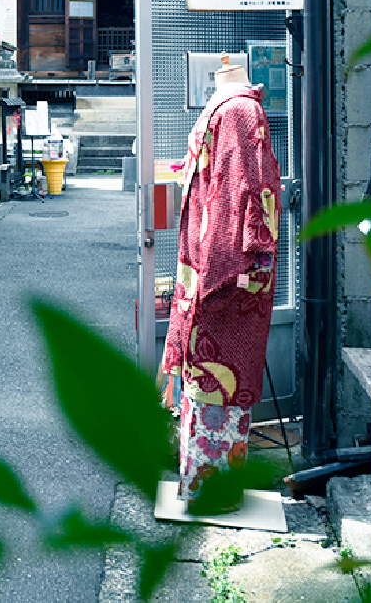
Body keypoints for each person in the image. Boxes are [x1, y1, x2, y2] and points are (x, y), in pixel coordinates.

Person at [161, 54, 282, 508]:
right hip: (211, 263)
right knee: (208, 380)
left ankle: (211, 490)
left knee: (221, 380)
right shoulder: (231, 106)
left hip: (227, 274)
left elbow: (242, 190)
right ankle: (202, 483)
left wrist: (218, 276)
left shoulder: (238, 110)